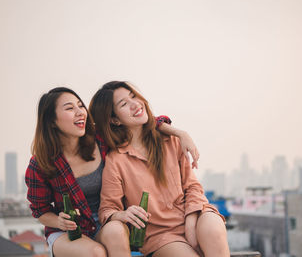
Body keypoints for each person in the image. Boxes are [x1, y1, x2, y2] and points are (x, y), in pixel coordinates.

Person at [25, 87, 200, 257]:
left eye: (80, 105)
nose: (80, 112)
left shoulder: (101, 139)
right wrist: (59, 221)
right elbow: (40, 211)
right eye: (70, 108)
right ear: (52, 121)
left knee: (116, 230)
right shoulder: (40, 164)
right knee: (96, 253)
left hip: (106, 221)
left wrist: (180, 134)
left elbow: (144, 121)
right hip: (68, 231)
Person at [91, 81, 230, 257]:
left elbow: (193, 186)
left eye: (133, 96)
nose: (135, 104)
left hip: (195, 215)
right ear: (115, 120)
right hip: (160, 235)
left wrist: (191, 221)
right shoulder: (116, 160)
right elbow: (107, 209)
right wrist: (123, 214)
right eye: (124, 104)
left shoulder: (171, 141)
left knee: (213, 228)